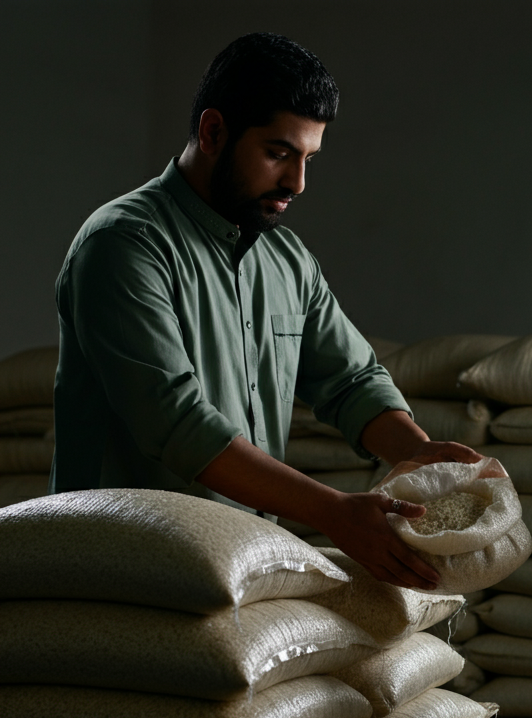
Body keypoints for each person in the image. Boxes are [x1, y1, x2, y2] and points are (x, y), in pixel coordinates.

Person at [51, 33, 476, 590]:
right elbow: (177, 425)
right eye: (278, 153)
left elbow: (349, 381)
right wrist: (332, 513)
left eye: (308, 159)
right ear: (213, 132)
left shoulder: (287, 259)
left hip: (240, 567)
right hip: (121, 570)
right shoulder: (123, 245)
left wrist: (420, 456)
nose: (297, 182)